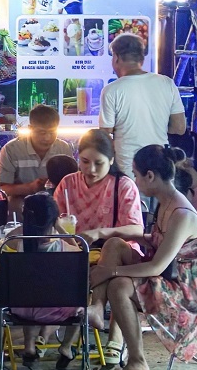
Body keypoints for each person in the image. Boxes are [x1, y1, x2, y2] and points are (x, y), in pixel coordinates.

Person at [87, 145, 197, 370]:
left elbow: (156, 266)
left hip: (187, 292)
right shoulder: (165, 201)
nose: (135, 181)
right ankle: (97, 307)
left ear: (150, 176)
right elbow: (155, 240)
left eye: (136, 175)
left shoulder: (182, 214)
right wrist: (107, 232)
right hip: (169, 276)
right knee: (114, 245)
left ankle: (137, 361)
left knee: (119, 286)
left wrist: (111, 271)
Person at [52, 129, 144, 368]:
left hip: (119, 252)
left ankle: (109, 332)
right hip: (78, 249)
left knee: (111, 253)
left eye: (98, 163)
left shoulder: (123, 185)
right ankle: (86, 329)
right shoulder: (68, 184)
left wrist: (102, 232)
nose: (90, 170)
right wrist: (67, 236)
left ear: (111, 160)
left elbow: (136, 230)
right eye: (84, 162)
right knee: (76, 262)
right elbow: (54, 221)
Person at [9, 192, 82, 365]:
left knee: (29, 293)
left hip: (22, 310)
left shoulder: (17, 243)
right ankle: (66, 345)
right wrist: (60, 227)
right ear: (54, 220)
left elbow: (4, 237)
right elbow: (79, 252)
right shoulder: (63, 247)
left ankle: (29, 346)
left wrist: (25, 226)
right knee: (81, 297)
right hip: (55, 311)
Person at [100, 34, 186, 174]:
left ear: (116, 57)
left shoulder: (111, 90)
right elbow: (179, 128)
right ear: (142, 58)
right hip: (161, 166)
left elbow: (104, 134)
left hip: (128, 169)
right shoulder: (167, 83)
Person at [0, 104, 73, 215]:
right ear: (30, 128)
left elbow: (71, 184)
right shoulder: (11, 150)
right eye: (42, 133)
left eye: (52, 132)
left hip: (55, 202)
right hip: (21, 203)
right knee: (15, 204)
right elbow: (2, 189)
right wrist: (29, 188)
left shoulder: (63, 148)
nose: (47, 138)